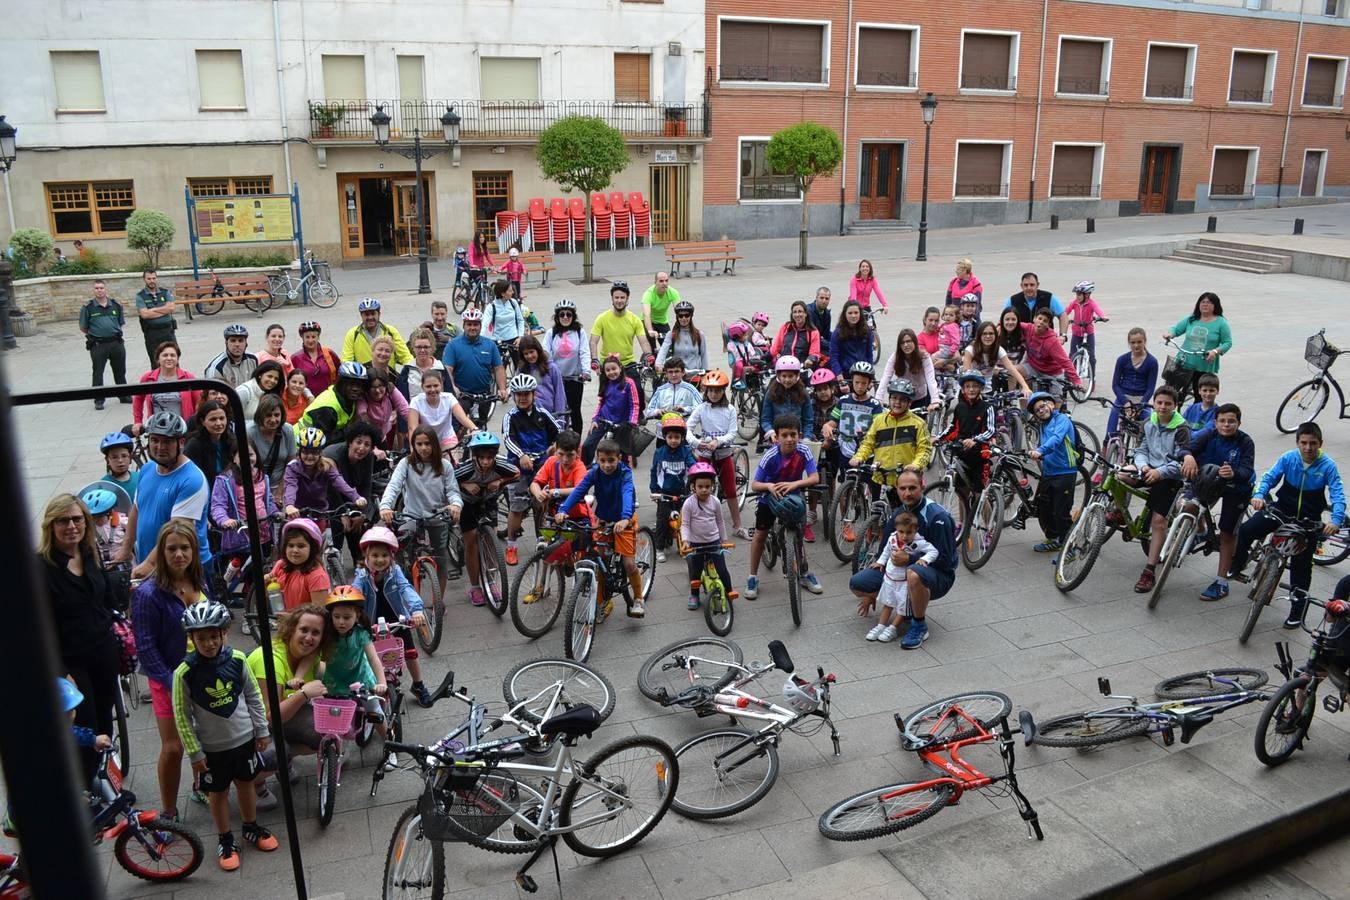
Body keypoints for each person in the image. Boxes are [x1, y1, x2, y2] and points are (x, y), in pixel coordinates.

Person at [171, 602, 277, 870]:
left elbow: (253, 696)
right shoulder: (184, 673)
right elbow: (182, 716)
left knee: (246, 783)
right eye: (202, 638)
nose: (208, 643)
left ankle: (250, 827)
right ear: (191, 638)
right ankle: (225, 839)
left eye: (214, 637)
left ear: (224, 634)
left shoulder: (238, 660)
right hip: (212, 749)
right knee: (217, 793)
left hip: (243, 740)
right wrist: (195, 753)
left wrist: (261, 731)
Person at [1230, 422, 1346, 628]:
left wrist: (1335, 520)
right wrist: (1258, 495)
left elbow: (1337, 494)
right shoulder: (1288, 458)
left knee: (1301, 569)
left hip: (1308, 521)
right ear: (1297, 442)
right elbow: (1269, 478)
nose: (1308, 448)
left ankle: (1296, 612)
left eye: (1313, 443)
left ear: (1320, 443)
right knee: (1247, 529)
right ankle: (1237, 564)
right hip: (1281, 509)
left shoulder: (1328, 465)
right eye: (1304, 443)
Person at [39, 494, 123, 777]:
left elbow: (105, 599)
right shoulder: (42, 567)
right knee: (85, 723)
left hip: (103, 651)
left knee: (106, 719)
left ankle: (107, 782)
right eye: (63, 520)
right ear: (51, 526)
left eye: (77, 519)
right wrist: (60, 672)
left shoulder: (89, 554)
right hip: (71, 660)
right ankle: (88, 788)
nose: (71, 526)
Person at [131, 520, 208, 820]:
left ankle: (201, 785)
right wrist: (172, 681)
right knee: (174, 748)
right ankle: (169, 811)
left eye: (184, 548)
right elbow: (146, 648)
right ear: (161, 552)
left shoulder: (200, 580)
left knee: (206, 737)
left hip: (203, 674)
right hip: (168, 681)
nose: (179, 554)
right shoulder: (148, 595)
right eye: (172, 548)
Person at [848, 469, 958, 649]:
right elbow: (884, 551)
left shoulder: (938, 516)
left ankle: (919, 624)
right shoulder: (898, 514)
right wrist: (870, 594)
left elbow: (946, 561)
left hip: (938, 575)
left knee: (914, 574)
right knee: (858, 583)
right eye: (902, 488)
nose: (907, 493)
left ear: (922, 487)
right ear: (897, 489)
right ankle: (907, 605)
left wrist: (910, 559)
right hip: (899, 572)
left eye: (912, 488)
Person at [120, 413, 213, 594]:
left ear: (181, 443)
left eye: (167, 441)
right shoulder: (147, 469)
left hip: (183, 571)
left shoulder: (191, 479)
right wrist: (125, 550)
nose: (159, 447)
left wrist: (148, 565)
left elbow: (177, 532)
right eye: (154, 440)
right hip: (153, 566)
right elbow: (136, 510)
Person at [245, 604, 328, 805]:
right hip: (251, 726)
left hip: (281, 716)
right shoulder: (270, 660)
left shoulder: (310, 653)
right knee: (276, 754)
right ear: (291, 629)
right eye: (304, 630)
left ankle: (283, 757)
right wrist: (305, 694)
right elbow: (269, 717)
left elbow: (323, 665)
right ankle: (251, 782)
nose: (309, 637)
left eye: (316, 633)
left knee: (326, 729)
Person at [557, 437, 647, 616]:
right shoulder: (594, 472)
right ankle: (601, 602)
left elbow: (627, 493)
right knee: (601, 563)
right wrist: (563, 509)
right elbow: (579, 491)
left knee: (629, 564)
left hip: (624, 522)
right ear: (597, 459)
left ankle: (638, 599)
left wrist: (625, 518)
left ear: (619, 458)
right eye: (602, 460)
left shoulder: (624, 473)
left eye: (611, 460)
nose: (607, 465)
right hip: (604, 522)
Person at [1179, 403, 1256, 601]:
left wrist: (1234, 473)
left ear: (1239, 423)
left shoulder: (1246, 442)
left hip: (1236, 488)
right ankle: (1201, 530)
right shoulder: (1209, 435)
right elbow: (1187, 448)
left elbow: (1247, 471)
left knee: (1227, 533)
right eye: (1222, 421)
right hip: (1210, 480)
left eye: (1231, 421)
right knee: (1188, 507)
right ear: (1216, 422)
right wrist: (1188, 457)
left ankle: (1221, 582)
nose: (1226, 425)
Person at [744, 415, 824, 600]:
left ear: (799, 435)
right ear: (777, 437)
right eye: (785, 435)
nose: (789, 439)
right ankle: (752, 577)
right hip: (768, 498)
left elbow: (814, 477)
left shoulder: (804, 450)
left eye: (793, 434)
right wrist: (770, 486)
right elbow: (755, 484)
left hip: (794, 497)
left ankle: (804, 573)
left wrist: (795, 484)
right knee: (760, 535)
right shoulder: (770, 455)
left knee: (798, 534)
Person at [351, 526, 434, 706]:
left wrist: (416, 610)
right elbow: (354, 595)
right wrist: (352, 616)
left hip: (397, 619)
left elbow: (406, 588)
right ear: (366, 557)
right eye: (375, 555)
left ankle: (418, 685)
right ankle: (371, 685)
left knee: (410, 652)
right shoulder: (362, 576)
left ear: (391, 557)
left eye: (384, 555)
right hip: (370, 622)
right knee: (370, 657)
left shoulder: (394, 572)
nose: (380, 560)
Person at [380, 424, 463, 599]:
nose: (423, 448)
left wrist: (455, 505)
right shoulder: (406, 464)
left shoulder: (444, 466)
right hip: (411, 516)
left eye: (427, 443)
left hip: (437, 517)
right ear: (413, 445)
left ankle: (437, 602)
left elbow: (453, 491)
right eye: (419, 444)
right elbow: (394, 486)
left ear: (434, 444)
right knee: (405, 558)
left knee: (441, 560)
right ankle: (409, 596)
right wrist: (386, 506)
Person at [1128, 386, 1192, 593]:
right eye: (1159, 403)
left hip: (1170, 477)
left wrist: (1160, 472)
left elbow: (1181, 460)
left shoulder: (1182, 428)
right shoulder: (1148, 422)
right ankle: (1117, 514)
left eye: (1168, 404)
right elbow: (1141, 449)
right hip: (1149, 469)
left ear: (1175, 406)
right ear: (1154, 403)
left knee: (1158, 522)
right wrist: (1142, 465)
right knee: (1120, 474)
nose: (1163, 407)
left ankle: (1149, 571)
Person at [320, 586, 391, 760]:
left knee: (374, 713)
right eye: (336, 617)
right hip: (335, 682)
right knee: (332, 720)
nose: (341, 622)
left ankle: (390, 745)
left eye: (347, 617)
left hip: (361, 681)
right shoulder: (326, 634)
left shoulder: (360, 634)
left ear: (357, 616)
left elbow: (373, 659)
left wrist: (381, 683)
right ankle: (338, 749)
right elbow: (317, 660)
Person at [455, 432, 520, 608]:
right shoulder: (466, 468)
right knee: (471, 541)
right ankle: (475, 587)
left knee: (490, 544)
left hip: (488, 500)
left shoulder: (501, 465)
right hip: (467, 502)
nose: (485, 462)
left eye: (489, 458)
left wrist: (500, 481)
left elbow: (516, 473)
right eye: (481, 458)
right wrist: (465, 485)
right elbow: (447, 479)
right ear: (475, 456)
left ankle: (491, 581)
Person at [501, 374, 559, 564]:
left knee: (541, 504)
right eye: (518, 394)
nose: (522, 398)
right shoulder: (510, 416)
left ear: (534, 394)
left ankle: (541, 541)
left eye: (526, 394)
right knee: (516, 507)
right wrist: (521, 455)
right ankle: (512, 546)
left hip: (542, 465)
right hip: (519, 468)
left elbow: (557, 431)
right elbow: (508, 439)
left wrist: (554, 446)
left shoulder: (542, 413)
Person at [687, 369, 751, 539]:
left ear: (724, 391)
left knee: (730, 490)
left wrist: (719, 441)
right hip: (705, 454)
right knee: (698, 487)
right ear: (706, 391)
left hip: (723, 454)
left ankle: (737, 526)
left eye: (717, 391)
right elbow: (688, 428)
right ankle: (697, 524)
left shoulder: (730, 409)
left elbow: (732, 432)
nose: (714, 394)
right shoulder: (701, 408)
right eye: (710, 390)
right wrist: (696, 442)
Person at [851, 378, 934, 498]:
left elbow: (925, 450)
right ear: (889, 399)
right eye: (894, 398)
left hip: (906, 481)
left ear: (909, 403)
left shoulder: (918, 424)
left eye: (903, 399)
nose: (897, 402)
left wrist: (916, 465)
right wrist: (859, 457)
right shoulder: (879, 420)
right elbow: (868, 443)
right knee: (877, 513)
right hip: (880, 477)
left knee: (906, 516)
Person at [865, 511, 939, 643]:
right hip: (890, 578)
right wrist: (880, 562)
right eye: (901, 532)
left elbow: (934, 551)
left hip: (904, 581)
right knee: (888, 603)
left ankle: (893, 628)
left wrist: (924, 559)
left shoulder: (919, 542)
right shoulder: (892, 538)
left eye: (909, 532)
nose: (904, 536)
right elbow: (886, 551)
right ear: (896, 530)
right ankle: (880, 626)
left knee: (902, 607)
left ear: (916, 530)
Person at [1026, 392, 1081, 554]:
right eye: (1037, 410)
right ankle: (1054, 538)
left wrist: (1040, 450)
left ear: (1051, 404)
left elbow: (1056, 439)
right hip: (1049, 472)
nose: (1041, 410)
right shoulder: (1042, 425)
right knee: (1044, 508)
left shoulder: (1062, 419)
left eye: (1043, 405)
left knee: (1061, 511)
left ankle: (1069, 549)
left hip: (1065, 472)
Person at [680, 462, 739, 612]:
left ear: (713, 485)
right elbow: (685, 524)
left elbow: (720, 521)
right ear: (693, 486)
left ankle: (729, 589)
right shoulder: (688, 504)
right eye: (700, 487)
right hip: (696, 543)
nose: (704, 490)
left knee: (722, 569)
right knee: (696, 570)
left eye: (708, 486)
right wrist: (686, 540)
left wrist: (723, 539)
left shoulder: (715, 502)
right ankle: (694, 595)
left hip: (714, 542)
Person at [323, 421, 382, 570]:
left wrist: (360, 514)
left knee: (357, 523)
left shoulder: (368, 458)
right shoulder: (333, 455)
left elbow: (365, 486)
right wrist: (342, 515)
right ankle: (334, 564)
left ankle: (360, 563)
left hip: (351, 495)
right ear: (350, 442)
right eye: (358, 442)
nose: (362, 448)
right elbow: (332, 488)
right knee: (338, 526)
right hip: (328, 496)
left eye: (367, 445)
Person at [210, 441, 277, 565]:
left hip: (264, 535)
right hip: (240, 539)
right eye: (242, 456)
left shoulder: (263, 477)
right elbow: (217, 506)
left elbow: (268, 502)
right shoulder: (225, 480)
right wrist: (225, 520)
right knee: (246, 577)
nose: (247, 458)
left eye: (251, 454)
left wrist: (275, 513)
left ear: (256, 456)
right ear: (234, 458)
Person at [823, 361, 884, 495]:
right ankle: (844, 513)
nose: (860, 386)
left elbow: (879, 428)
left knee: (872, 484)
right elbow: (832, 422)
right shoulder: (843, 400)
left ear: (869, 384)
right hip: (846, 449)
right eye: (857, 382)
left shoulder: (875, 405)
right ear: (852, 382)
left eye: (863, 383)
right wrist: (827, 427)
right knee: (846, 486)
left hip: (867, 452)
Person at [1163, 291, 1232, 405]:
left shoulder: (1221, 323)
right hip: (1184, 361)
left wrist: (1215, 351)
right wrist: (1170, 334)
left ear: (1215, 305)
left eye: (1209, 302)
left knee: (1200, 396)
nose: (1205, 304)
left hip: (1204, 365)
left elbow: (1227, 343)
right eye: (1203, 302)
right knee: (1169, 392)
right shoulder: (1192, 319)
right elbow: (1176, 329)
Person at [283, 427, 367, 519]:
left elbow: (339, 482)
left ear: (320, 452)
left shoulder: (326, 466)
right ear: (299, 452)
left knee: (326, 533)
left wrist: (356, 497)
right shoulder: (292, 468)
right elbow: (290, 486)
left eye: (314, 452)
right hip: (296, 514)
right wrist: (289, 505)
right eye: (305, 452)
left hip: (320, 514)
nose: (310, 456)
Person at [443, 308, 508, 427]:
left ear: (480, 325)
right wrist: (452, 387)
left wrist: (502, 389)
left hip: (485, 396)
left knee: (482, 427)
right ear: (463, 325)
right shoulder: (453, 345)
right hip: (462, 395)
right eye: (469, 324)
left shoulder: (490, 345)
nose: (472, 327)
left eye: (476, 324)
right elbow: (448, 370)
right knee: (458, 426)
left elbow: (498, 368)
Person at [589, 281, 649, 410]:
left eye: (622, 297)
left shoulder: (634, 320)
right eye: (616, 297)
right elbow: (593, 341)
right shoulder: (602, 318)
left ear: (627, 299)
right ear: (612, 298)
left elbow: (643, 341)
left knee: (638, 391)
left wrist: (648, 355)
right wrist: (594, 359)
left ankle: (638, 416)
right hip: (608, 365)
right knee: (605, 398)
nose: (619, 300)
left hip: (627, 364)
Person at [938, 371, 996, 494]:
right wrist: (939, 438)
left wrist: (974, 440)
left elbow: (990, 430)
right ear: (963, 389)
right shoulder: (960, 407)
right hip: (962, 454)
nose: (971, 390)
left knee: (978, 495)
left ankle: (985, 512)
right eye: (967, 386)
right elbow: (954, 428)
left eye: (975, 386)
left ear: (981, 388)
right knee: (961, 493)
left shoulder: (987, 407)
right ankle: (965, 513)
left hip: (980, 457)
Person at [650, 413, 696, 567]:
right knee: (662, 520)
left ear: (682, 438)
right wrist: (654, 489)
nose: (674, 440)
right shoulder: (660, 452)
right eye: (670, 437)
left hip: (682, 492)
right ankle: (660, 548)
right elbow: (654, 471)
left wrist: (698, 477)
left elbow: (693, 466)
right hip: (665, 493)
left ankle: (685, 544)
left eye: (677, 437)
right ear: (665, 437)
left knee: (686, 520)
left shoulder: (686, 451)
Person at [132, 342, 202, 435]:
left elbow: (200, 402)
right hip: (156, 429)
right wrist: (138, 422)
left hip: (182, 430)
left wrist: (195, 423)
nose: (169, 358)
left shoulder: (188, 377)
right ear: (158, 359)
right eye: (165, 355)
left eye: (173, 355)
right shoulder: (147, 378)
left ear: (177, 359)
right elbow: (138, 399)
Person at [80, 279, 130, 410]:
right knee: (98, 373)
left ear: (105, 289)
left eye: (101, 288)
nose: (99, 290)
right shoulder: (88, 307)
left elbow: (120, 322)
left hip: (116, 342)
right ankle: (99, 399)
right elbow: (83, 327)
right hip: (98, 344)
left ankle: (123, 395)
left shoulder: (115, 305)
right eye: (96, 288)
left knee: (120, 370)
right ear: (93, 290)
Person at [543, 298, 590, 433]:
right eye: (561, 314)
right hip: (557, 379)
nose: (565, 317)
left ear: (573, 316)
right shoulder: (551, 334)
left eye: (568, 314)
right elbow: (545, 353)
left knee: (575, 412)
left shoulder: (580, 333)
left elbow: (584, 352)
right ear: (557, 317)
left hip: (575, 378)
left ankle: (576, 443)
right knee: (557, 411)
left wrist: (586, 371)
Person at [584, 355, 640, 465]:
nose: (611, 372)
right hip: (603, 420)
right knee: (587, 445)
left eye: (614, 369)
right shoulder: (606, 382)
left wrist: (631, 423)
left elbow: (635, 405)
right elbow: (601, 403)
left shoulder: (629, 383)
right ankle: (586, 467)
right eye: (607, 370)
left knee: (621, 454)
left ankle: (623, 473)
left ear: (620, 367)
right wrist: (594, 419)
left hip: (622, 424)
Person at [297, 361, 370, 445]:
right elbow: (323, 440)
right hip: (300, 445)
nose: (355, 389)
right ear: (341, 383)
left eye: (359, 385)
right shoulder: (327, 406)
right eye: (351, 384)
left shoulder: (346, 397)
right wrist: (350, 430)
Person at [1019, 308, 1082, 402]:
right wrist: (999, 326)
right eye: (1040, 318)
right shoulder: (1028, 328)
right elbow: (1012, 323)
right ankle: (1016, 407)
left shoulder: (1051, 341)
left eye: (1045, 321)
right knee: (1015, 371)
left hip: (1052, 374)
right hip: (1034, 368)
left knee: (1056, 404)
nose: (1041, 322)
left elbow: (1065, 361)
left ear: (1048, 325)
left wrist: (1077, 381)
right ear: (1034, 319)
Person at [268, 518, 331, 610]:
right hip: (283, 621)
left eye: (301, 546)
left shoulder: (317, 576)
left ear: (312, 548)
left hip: (304, 623)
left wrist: (291, 619)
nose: (295, 550)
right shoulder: (281, 565)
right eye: (290, 545)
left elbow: (319, 613)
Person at [409, 367, 477, 450]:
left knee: (452, 460)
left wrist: (474, 429)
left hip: (447, 438)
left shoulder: (449, 398)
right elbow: (412, 427)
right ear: (422, 387)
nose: (433, 389)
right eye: (428, 386)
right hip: (426, 441)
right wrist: (413, 449)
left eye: (436, 385)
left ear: (441, 385)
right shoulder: (416, 401)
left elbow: (462, 417)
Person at [878, 329, 942, 415]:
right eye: (902, 342)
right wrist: (878, 397)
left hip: (920, 397)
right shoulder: (895, 357)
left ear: (915, 342)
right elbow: (886, 377)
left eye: (908, 341)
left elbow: (930, 379)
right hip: (902, 398)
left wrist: (935, 400)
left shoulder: (924, 357)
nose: (906, 345)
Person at [1108, 327, 1159, 435]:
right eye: (1133, 342)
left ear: (1145, 341)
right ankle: (1107, 447)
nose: (1136, 345)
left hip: (1141, 399)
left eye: (1139, 342)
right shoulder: (1122, 360)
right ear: (1129, 343)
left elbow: (1150, 388)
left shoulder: (1152, 362)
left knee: (1149, 429)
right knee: (1111, 430)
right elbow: (1115, 385)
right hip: (1123, 398)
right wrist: (1125, 402)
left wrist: (1141, 405)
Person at [248, 395, 295, 506]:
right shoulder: (249, 432)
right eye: (268, 415)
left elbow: (291, 464)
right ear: (261, 415)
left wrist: (280, 491)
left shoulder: (287, 430)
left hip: (282, 484)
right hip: (256, 485)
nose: (273, 419)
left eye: (277, 415)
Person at [962, 321, 1032, 394]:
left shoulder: (998, 350)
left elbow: (1012, 369)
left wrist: (1025, 387)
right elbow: (966, 374)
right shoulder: (970, 350)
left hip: (987, 389)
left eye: (991, 333)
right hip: (970, 390)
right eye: (984, 333)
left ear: (996, 335)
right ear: (979, 336)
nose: (988, 336)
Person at [343, 298, 413, 368]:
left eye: (373, 314)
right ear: (361, 316)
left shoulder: (391, 331)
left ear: (379, 314)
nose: (370, 317)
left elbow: (405, 356)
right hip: (364, 377)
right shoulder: (353, 334)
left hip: (388, 376)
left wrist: (413, 369)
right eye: (366, 314)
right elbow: (347, 361)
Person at [515, 334, 567, 427]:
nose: (530, 356)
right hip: (528, 415)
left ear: (538, 350)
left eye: (531, 352)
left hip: (550, 414)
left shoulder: (551, 368)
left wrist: (560, 418)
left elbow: (559, 393)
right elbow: (514, 390)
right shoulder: (521, 369)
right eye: (526, 354)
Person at [184, 400, 238, 490]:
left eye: (222, 418)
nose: (219, 423)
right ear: (203, 422)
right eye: (213, 419)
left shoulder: (232, 441)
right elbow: (190, 476)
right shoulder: (194, 445)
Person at [761, 356, 814, 445]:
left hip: (797, 438)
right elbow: (765, 419)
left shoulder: (803, 394)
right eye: (784, 376)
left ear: (797, 376)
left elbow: (808, 420)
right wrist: (770, 432)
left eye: (790, 376)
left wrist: (806, 438)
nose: (787, 380)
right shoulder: (771, 393)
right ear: (778, 376)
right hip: (777, 438)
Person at [356, 369, 411, 450]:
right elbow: (363, 418)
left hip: (382, 437)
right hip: (364, 439)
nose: (377, 390)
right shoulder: (363, 398)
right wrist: (373, 448)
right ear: (367, 387)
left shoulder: (390, 389)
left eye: (380, 386)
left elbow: (405, 410)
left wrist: (417, 429)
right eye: (373, 387)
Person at [1065, 281, 1108, 381]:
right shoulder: (1074, 303)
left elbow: (1097, 310)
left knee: (1091, 356)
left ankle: (1091, 379)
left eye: (1080, 294)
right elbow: (1066, 311)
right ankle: (1067, 378)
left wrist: (1102, 317)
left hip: (1088, 333)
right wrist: (1061, 315)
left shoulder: (1091, 303)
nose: (1078, 296)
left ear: (1087, 294)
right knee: (1072, 355)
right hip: (1076, 333)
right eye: (1077, 294)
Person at [135, 269, 178, 368]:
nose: (152, 281)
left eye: (154, 278)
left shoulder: (165, 292)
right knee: (156, 362)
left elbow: (171, 308)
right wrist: (164, 310)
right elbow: (144, 314)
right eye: (149, 278)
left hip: (168, 331)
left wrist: (152, 310)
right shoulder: (140, 296)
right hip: (152, 333)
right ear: (144, 279)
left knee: (173, 360)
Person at [1003, 272, 1067, 336]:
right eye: (1025, 285)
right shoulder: (1013, 300)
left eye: (1032, 285)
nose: (1029, 288)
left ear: (1037, 285)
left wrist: (1063, 335)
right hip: (1021, 341)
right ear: (1021, 286)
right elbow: (1003, 319)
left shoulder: (1049, 298)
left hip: (1045, 340)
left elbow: (1063, 316)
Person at [655, 300, 710, 372]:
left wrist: (705, 373)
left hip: (695, 374)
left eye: (687, 315)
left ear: (691, 316)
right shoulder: (671, 334)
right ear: (677, 317)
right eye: (680, 316)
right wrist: (658, 363)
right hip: (678, 375)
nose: (684, 318)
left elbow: (704, 355)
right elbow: (663, 350)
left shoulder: (699, 335)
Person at [397, 327, 448, 403]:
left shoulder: (440, 368)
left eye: (426, 347)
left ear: (432, 347)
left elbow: (450, 397)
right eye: (419, 347)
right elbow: (402, 400)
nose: (422, 350)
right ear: (413, 348)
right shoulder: (407, 369)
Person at [645, 357, 701, 422]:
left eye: (676, 371)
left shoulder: (690, 389)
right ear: (666, 374)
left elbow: (701, 408)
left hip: (684, 427)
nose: (673, 375)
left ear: (683, 372)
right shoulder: (660, 390)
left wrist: (684, 409)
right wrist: (658, 411)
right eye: (670, 372)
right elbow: (649, 412)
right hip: (664, 428)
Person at [292, 321, 340, 396]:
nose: (310, 340)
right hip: (307, 401)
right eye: (307, 337)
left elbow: (340, 374)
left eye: (313, 337)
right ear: (302, 338)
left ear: (318, 337)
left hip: (328, 398)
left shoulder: (329, 354)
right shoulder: (296, 358)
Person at [829, 300, 875, 378]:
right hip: (845, 374)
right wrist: (839, 375)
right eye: (850, 313)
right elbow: (834, 357)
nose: (853, 316)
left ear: (860, 314)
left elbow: (869, 355)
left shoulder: (867, 331)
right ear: (845, 314)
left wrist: (871, 375)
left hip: (862, 373)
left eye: (856, 313)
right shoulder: (837, 333)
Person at [770, 300, 822, 368]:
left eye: (800, 311)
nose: (797, 315)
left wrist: (810, 359)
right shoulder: (786, 327)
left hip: (801, 368)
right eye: (795, 312)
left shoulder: (813, 332)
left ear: (806, 314)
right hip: (784, 367)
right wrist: (762, 358)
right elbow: (775, 348)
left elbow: (815, 353)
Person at [485, 279, 526, 364]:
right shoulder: (491, 307)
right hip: (497, 339)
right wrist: (481, 341)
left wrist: (520, 337)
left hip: (514, 339)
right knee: (496, 366)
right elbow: (484, 325)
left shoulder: (513, 303)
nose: (513, 293)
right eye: (510, 291)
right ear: (503, 294)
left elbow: (520, 320)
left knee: (520, 365)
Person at [641, 272, 681, 352]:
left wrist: (679, 329)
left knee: (670, 349)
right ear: (655, 282)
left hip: (662, 322)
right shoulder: (648, 294)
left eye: (666, 281)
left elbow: (679, 313)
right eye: (661, 281)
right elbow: (646, 315)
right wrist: (650, 330)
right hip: (648, 322)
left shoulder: (673, 292)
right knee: (651, 349)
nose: (664, 283)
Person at [100, 431, 140, 498]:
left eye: (124, 456)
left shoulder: (139, 477)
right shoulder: (104, 485)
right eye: (114, 457)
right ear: (107, 460)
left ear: (130, 457)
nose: (120, 460)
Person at [931, 305, 963, 372]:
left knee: (932, 359)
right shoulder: (944, 325)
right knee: (936, 360)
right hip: (941, 346)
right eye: (946, 314)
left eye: (951, 315)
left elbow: (956, 341)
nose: (948, 316)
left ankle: (944, 368)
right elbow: (938, 329)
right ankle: (948, 368)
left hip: (947, 348)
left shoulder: (953, 326)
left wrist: (951, 351)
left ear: (956, 317)